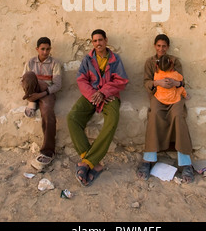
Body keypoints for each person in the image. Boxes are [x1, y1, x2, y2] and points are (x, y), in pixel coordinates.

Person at [67, 29, 128, 187]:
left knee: (112, 121)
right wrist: (94, 94)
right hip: (91, 95)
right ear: (92, 43)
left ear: (106, 40)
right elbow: (81, 79)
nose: (98, 43)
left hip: (109, 96)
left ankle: (87, 163)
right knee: (72, 118)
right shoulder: (88, 59)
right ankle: (92, 161)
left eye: (100, 40)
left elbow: (121, 80)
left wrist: (104, 92)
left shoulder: (115, 59)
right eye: (95, 41)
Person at [137, 34, 194, 183]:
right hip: (158, 96)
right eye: (158, 46)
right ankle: (148, 159)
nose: (161, 49)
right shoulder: (149, 62)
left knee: (178, 115)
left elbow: (182, 82)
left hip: (175, 97)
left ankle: (185, 163)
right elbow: (146, 82)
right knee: (154, 114)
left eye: (164, 46)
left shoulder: (175, 61)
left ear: (167, 47)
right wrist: (158, 83)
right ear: (154, 46)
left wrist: (176, 83)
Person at [21, 37, 62, 170]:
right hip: (33, 91)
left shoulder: (54, 63)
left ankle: (48, 151)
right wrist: (34, 93)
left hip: (47, 93)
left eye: (47, 49)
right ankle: (31, 102)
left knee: (48, 113)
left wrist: (43, 93)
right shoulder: (30, 62)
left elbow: (58, 85)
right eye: (42, 49)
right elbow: (24, 82)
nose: (45, 52)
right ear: (37, 49)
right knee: (28, 76)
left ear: (50, 49)